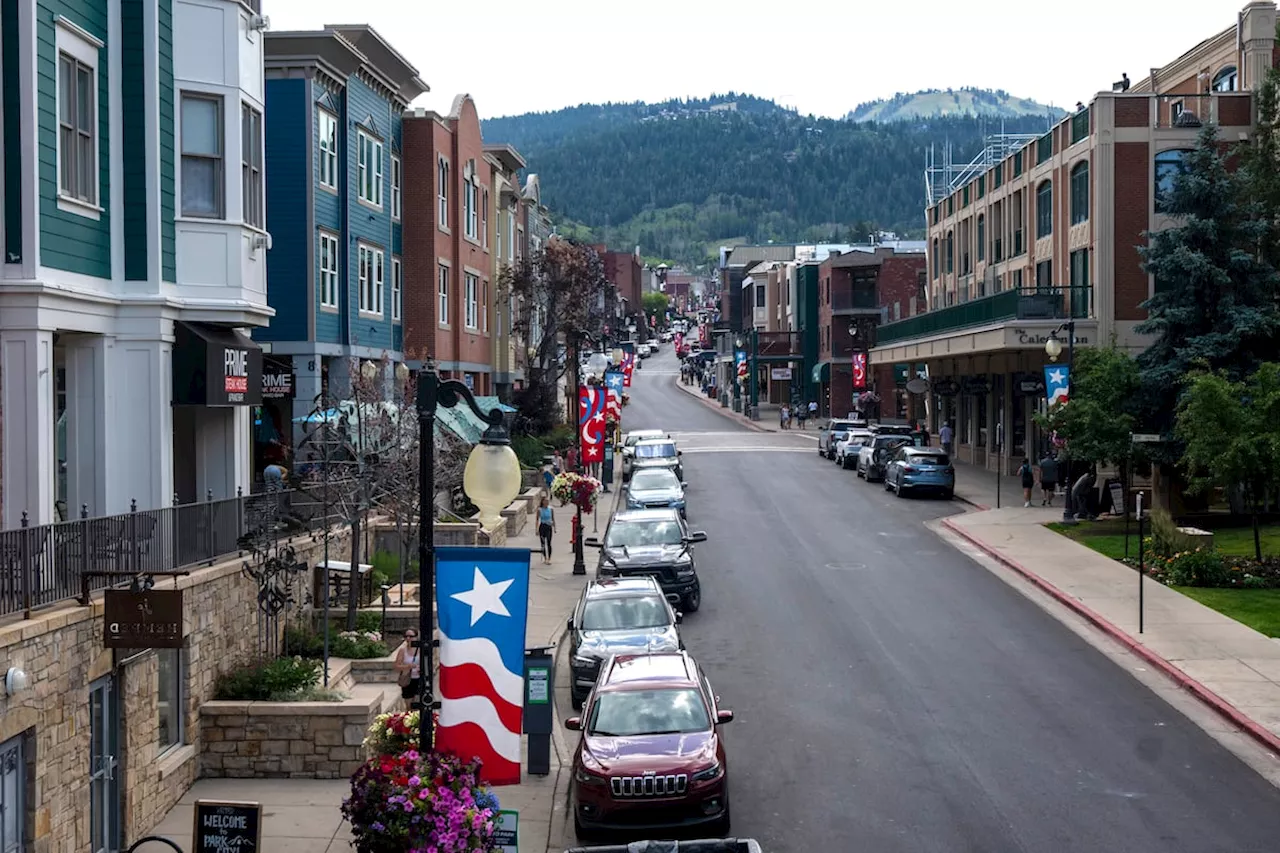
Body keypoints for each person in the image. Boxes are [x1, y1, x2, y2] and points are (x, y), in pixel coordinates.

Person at [394, 629, 422, 710]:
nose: (408, 638)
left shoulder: (421, 649)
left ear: (416, 637)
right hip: (408, 680)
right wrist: (408, 666)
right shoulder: (403, 650)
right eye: (406, 636)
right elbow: (396, 666)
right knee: (409, 706)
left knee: (419, 705)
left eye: (411, 636)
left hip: (419, 679)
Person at [537, 496, 556, 564]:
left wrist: (554, 527)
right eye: (545, 501)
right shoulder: (539, 510)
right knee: (543, 543)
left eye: (547, 501)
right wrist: (536, 530)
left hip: (549, 526)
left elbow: (553, 518)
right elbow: (537, 520)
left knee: (549, 542)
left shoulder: (551, 509)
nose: (547, 502)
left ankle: (549, 558)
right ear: (542, 502)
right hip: (542, 526)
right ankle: (545, 558)